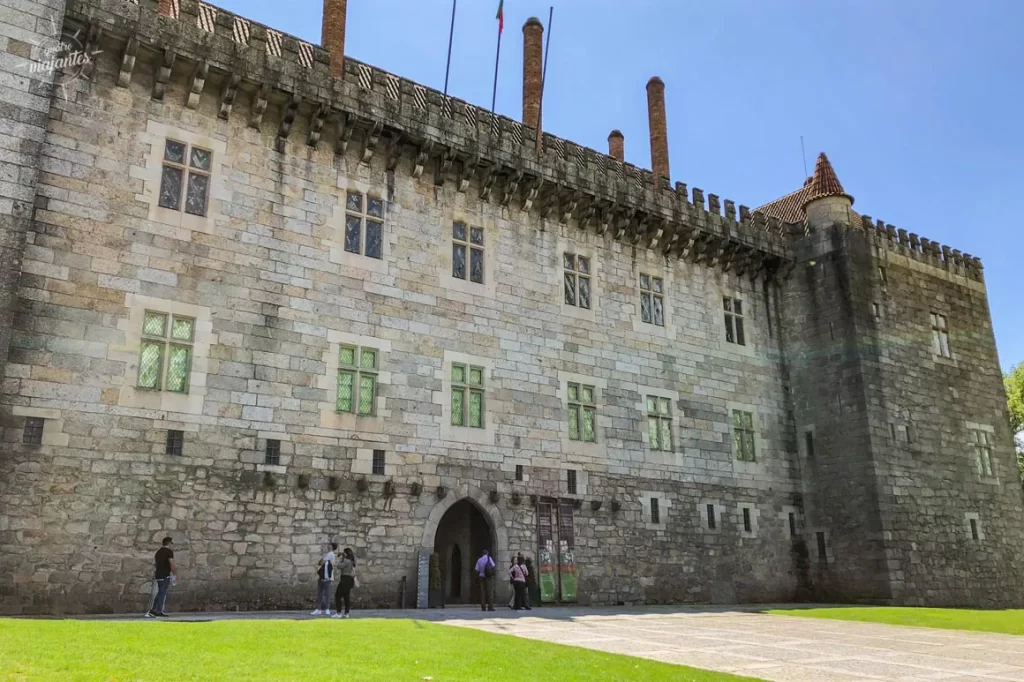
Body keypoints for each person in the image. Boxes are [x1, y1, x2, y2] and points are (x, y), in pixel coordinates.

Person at [146, 536, 176, 618]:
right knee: (162, 593)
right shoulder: (169, 552)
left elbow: (156, 564)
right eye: (172, 543)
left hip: (158, 574)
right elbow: (172, 564)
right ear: (169, 543)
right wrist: (174, 575)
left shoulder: (158, 552)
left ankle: (154, 609)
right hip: (165, 575)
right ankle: (158, 610)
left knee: (160, 592)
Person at [311, 542, 337, 616]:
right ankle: (319, 609)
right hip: (322, 576)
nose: (328, 546)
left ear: (332, 547)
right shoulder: (326, 554)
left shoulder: (331, 554)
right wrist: (322, 561)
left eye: (330, 545)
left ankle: (327, 609)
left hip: (327, 577)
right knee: (320, 593)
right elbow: (320, 562)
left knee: (327, 593)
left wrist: (322, 560)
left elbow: (322, 562)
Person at [332, 547, 356, 618]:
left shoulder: (346, 561)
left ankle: (338, 612)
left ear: (346, 553)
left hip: (345, 579)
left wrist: (340, 559)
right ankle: (346, 613)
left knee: (338, 596)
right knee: (346, 596)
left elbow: (339, 566)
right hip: (349, 580)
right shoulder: (351, 561)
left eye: (344, 553)